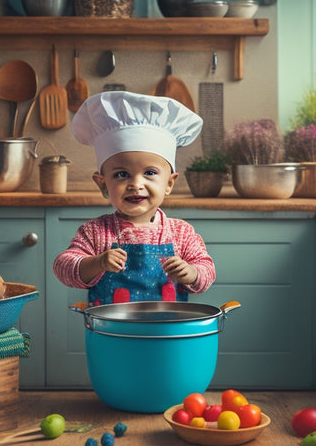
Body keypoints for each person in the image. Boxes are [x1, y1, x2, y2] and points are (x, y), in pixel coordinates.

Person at [53, 91, 216, 306]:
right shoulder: (95, 232)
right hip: (112, 334)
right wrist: (97, 263)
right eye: (121, 174)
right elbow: (63, 267)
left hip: (168, 334)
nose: (136, 184)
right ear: (102, 183)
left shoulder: (182, 233)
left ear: (169, 183)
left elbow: (207, 271)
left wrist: (192, 273)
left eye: (149, 173)